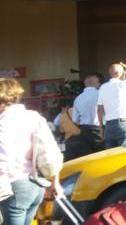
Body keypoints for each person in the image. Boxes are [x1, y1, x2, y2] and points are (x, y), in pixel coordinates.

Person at [1, 78, 64, 225]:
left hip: (11, 186)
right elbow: (49, 153)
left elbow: (3, 162)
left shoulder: (2, 123)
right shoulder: (33, 117)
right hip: (35, 186)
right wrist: (55, 182)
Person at [70, 75, 103, 158]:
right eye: (98, 82)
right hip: (100, 128)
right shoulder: (101, 94)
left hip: (84, 130)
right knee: (102, 155)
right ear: (93, 83)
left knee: (88, 156)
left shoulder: (78, 98)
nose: (99, 84)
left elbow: (75, 119)